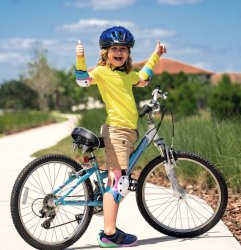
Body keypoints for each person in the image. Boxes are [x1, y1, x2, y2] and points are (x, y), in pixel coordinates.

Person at [75, 26, 166, 248]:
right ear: (105, 52)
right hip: (116, 131)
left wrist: (156, 55)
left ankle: (105, 213)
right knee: (119, 183)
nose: (118, 52)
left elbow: (143, 79)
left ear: (128, 53)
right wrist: (80, 59)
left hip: (126, 132)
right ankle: (109, 234)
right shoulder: (102, 72)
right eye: (114, 48)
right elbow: (83, 81)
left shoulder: (127, 75)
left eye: (123, 49)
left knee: (117, 181)